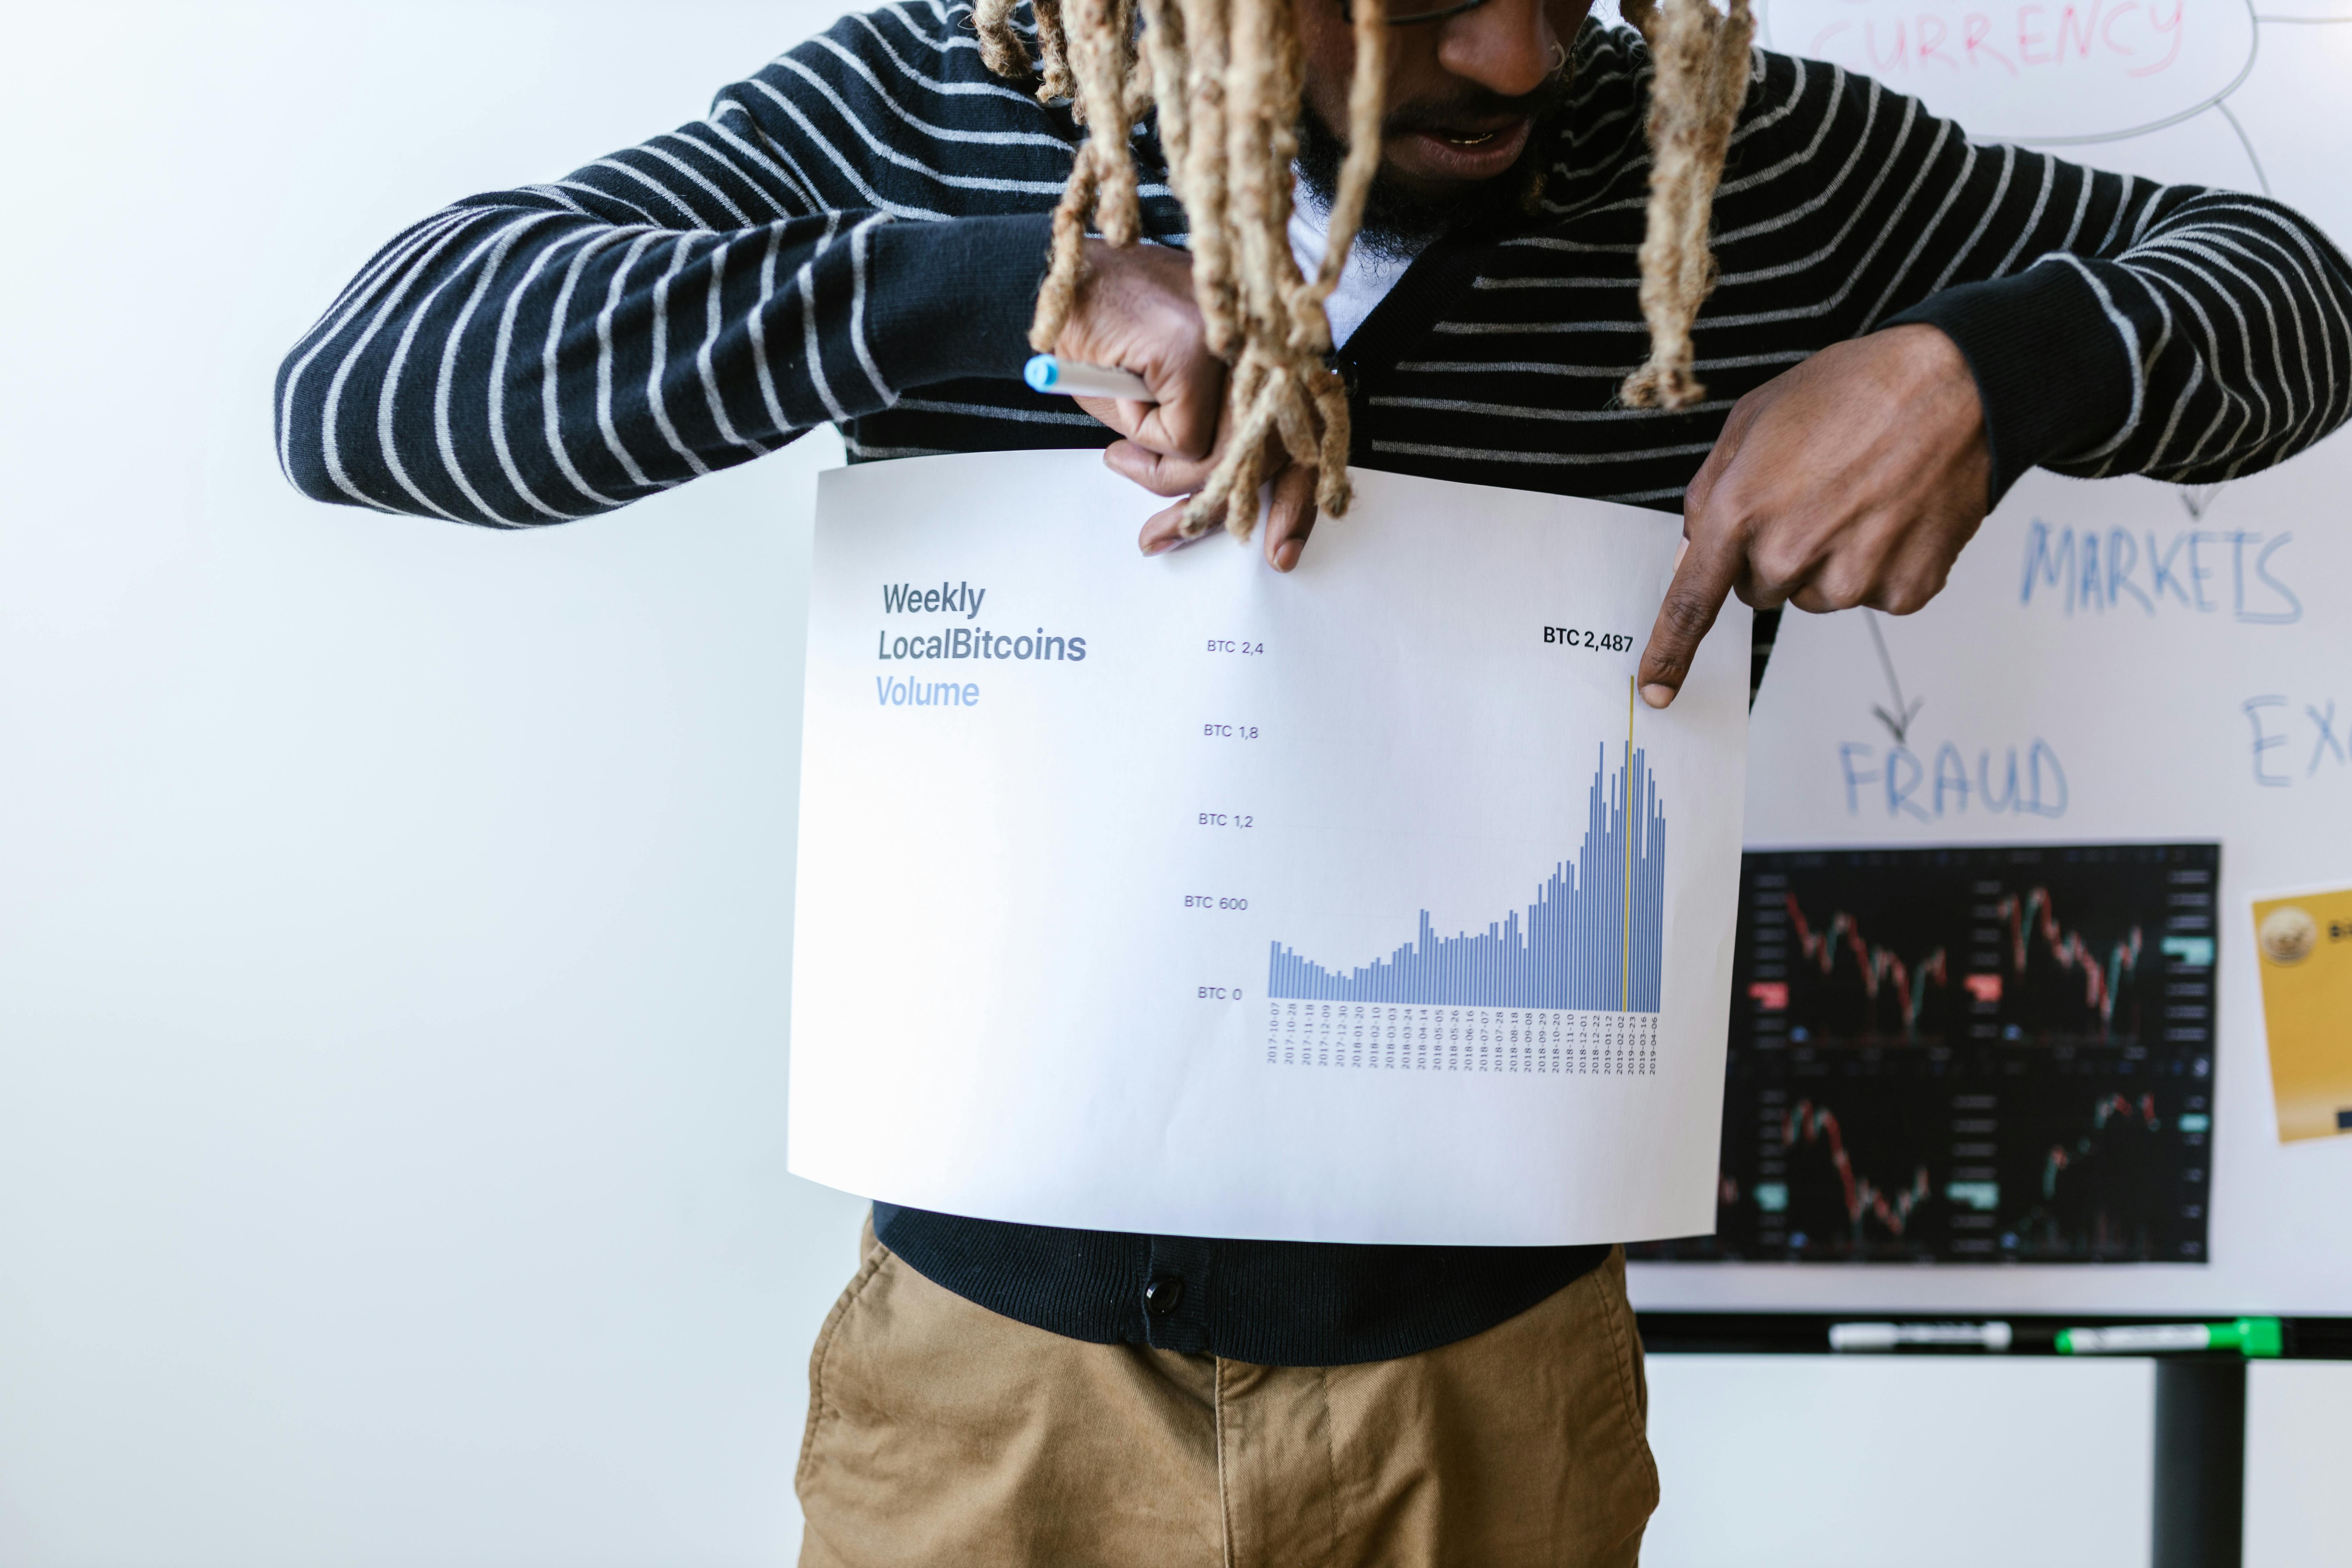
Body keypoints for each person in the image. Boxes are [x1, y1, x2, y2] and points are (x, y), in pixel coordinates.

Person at [275, 0, 2352, 1559]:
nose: (1524, 46)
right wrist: (1016, 283)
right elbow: (370, 382)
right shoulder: (975, 92)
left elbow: (2291, 288)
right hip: (1001, 1397)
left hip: (1497, 1400)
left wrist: (1989, 370)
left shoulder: (1725, 165)